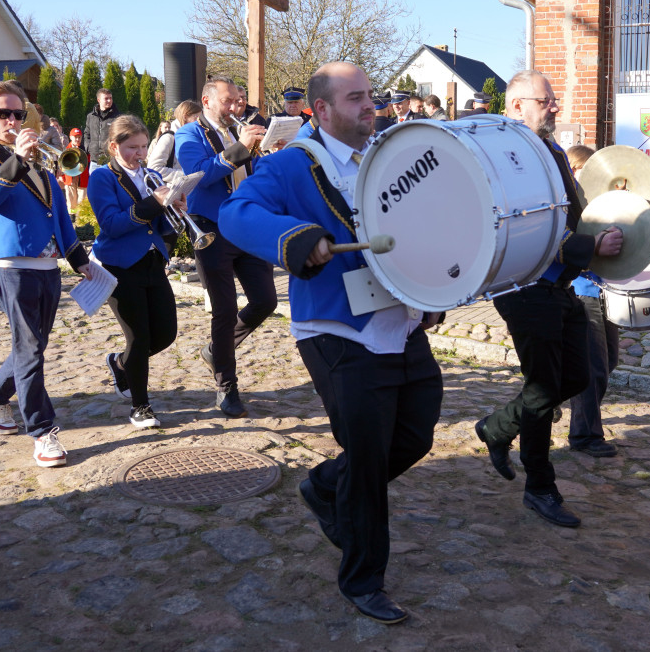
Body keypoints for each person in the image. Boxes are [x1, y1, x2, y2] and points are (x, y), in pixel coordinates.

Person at [221, 61, 443, 625]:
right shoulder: (294, 163)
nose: (370, 106)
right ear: (319, 111)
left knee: (415, 434)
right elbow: (235, 211)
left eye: (370, 96)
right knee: (368, 457)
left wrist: (437, 281)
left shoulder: (387, 154)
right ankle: (363, 578)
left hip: (400, 321)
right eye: (354, 99)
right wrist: (294, 237)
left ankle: (324, 486)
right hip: (337, 329)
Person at [473, 70, 623, 528]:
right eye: (546, 101)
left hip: (559, 281)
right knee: (542, 386)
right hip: (521, 283)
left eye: (555, 100)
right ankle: (540, 487)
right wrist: (590, 248)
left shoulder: (551, 148)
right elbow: (520, 224)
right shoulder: (500, 154)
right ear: (516, 105)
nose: (555, 107)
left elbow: (571, 214)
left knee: (575, 376)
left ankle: (497, 428)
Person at [0, 80, 93, 468]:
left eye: (18, 113)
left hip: (48, 267)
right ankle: (42, 431)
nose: (12, 119)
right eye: (3, 113)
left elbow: (58, 215)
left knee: (32, 347)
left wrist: (79, 259)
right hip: (12, 264)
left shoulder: (38, 161)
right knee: (30, 349)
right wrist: (15, 159)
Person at [175, 75, 277, 418]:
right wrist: (240, 148)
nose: (236, 107)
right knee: (223, 307)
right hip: (211, 227)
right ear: (207, 102)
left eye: (238, 101)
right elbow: (200, 173)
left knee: (265, 300)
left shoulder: (239, 132)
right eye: (228, 101)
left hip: (245, 224)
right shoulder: (188, 133)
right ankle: (226, 386)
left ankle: (216, 350)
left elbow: (252, 172)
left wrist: (270, 155)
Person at [88, 115, 181, 429]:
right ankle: (140, 407)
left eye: (144, 146)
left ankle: (120, 362)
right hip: (120, 266)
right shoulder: (104, 177)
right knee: (139, 338)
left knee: (166, 334)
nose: (139, 154)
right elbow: (112, 225)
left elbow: (161, 226)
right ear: (114, 146)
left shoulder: (152, 174)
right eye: (132, 147)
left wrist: (173, 209)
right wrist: (154, 204)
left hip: (154, 262)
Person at [565, 144, 620, 458]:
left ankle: (556, 396)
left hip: (605, 289)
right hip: (582, 290)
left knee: (609, 361)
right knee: (594, 368)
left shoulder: (599, 203)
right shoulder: (571, 207)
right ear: (575, 170)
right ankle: (585, 434)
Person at [147, 100, 201, 179]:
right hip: (171, 189)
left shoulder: (191, 137)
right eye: (197, 118)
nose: (199, 122)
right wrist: (186, 176)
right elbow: (153, 169)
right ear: (185, 117)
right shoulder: (169, 138)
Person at [83, 88, 121, 164]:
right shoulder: (91, 116)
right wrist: (89, 147)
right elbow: (87, 134)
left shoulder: (118, 117)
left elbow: (121, 136)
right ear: (99, 100)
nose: (109, 101)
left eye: (110, 98)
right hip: (94, 160)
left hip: (111, 160)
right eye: (106, 98)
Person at [60, 128, 90, 221]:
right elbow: (62, 164)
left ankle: (80, 215)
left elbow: (88, 161)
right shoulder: (66, 149)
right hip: (70, 176)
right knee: (70, 196)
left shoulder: (85, 148)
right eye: (75, 137)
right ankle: (71, 214)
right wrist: (62, 176)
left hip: (82, 176)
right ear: (70, 137)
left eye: (79, 137)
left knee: (82, 196)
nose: (77, 139)